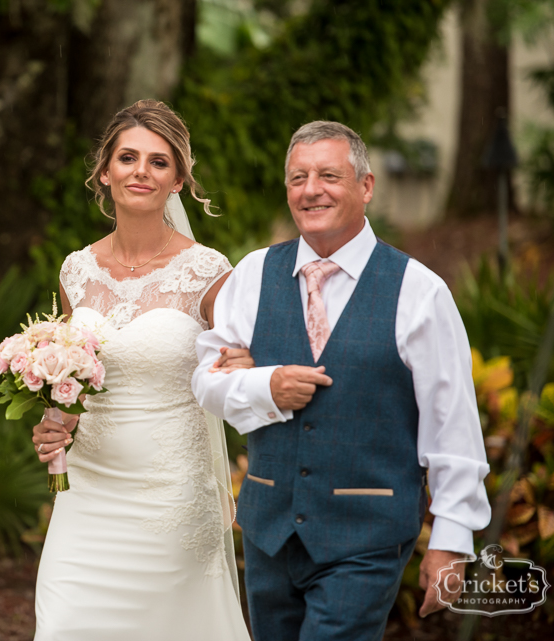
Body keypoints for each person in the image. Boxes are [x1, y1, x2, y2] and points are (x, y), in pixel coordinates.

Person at [192, 121, 492, 640]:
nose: (311, 190)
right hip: (269, 534)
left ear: (366, 186)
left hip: (366, 537)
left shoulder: (419, 291)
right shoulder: (255, 273)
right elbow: (205, 381)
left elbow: (452, 424)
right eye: (297, 178)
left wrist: (451, 538)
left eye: (329, 175)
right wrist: (266, 387)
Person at [29, 100, 252, 640]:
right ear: (105, 172)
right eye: (128, 158)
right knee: (63, 626)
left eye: (159, 161)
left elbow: (237, 373)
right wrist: (55, 422)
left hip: (170, 497)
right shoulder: (75, 271)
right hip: (86, 493)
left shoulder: (209, 272)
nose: (141, 172)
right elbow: (72, 383)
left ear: (178, 180)